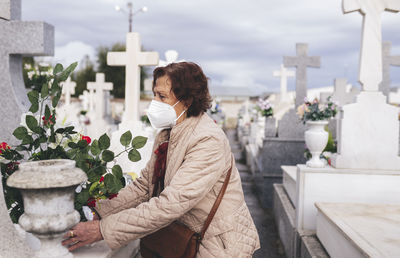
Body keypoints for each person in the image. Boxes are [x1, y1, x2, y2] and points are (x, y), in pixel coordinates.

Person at [62, 62, 260, 257]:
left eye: (162, 96)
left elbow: (171, 203)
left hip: (218, 243)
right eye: (154, 94)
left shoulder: (207, 140)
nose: (154, 102)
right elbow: (144, 187)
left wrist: (103, 230)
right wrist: (98, 212)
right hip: (187, 236)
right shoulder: (168, 133)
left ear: (187, 100)